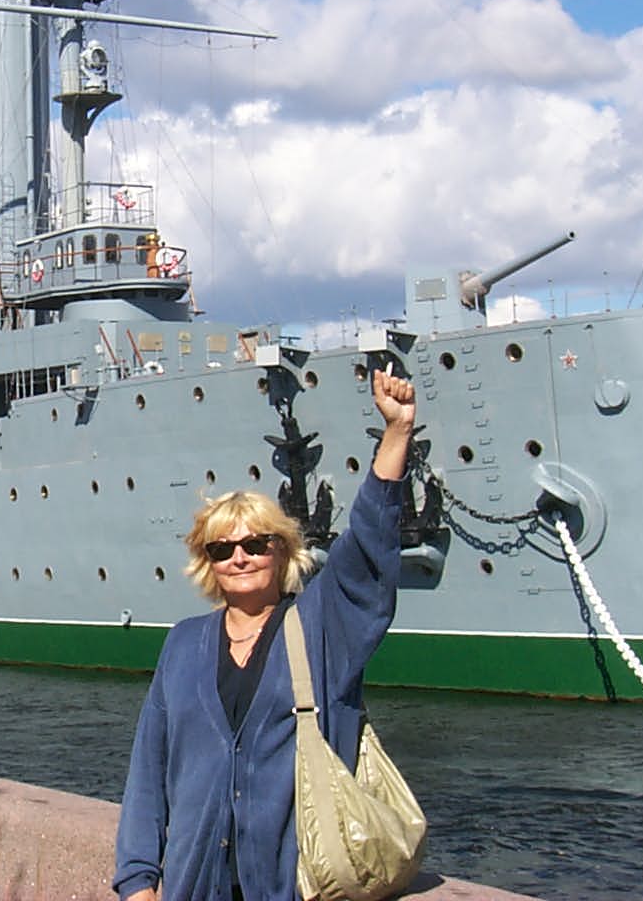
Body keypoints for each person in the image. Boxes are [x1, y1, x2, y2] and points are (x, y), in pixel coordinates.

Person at [114, 366, 416, 901]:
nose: (240, 557)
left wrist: (396, 433)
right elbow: (149, 770)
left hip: (293, 888)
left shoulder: (320, 627)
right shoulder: (183, 644)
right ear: (207, 563)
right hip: (194, 887)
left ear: (283, 550)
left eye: (256, 544)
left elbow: (366, 552)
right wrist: (138, 880)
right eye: (222, 549)